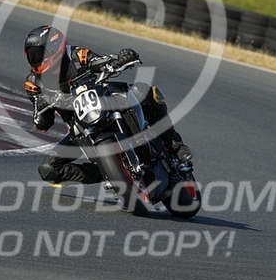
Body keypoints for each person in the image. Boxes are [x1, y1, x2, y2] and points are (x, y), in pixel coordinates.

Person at [23, 25, 193, 185]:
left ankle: (174, 144)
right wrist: (41, 106)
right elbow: (43, 124)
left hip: (104, 105)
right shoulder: (33, 84)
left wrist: (120, 59)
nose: (36, 59)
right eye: (32, 55)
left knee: (145, 91)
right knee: (48, 169)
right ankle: (106, 171)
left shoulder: (76, 56)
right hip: (79, 129)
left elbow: (100, 61)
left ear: (54, 48)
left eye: (39, 54)